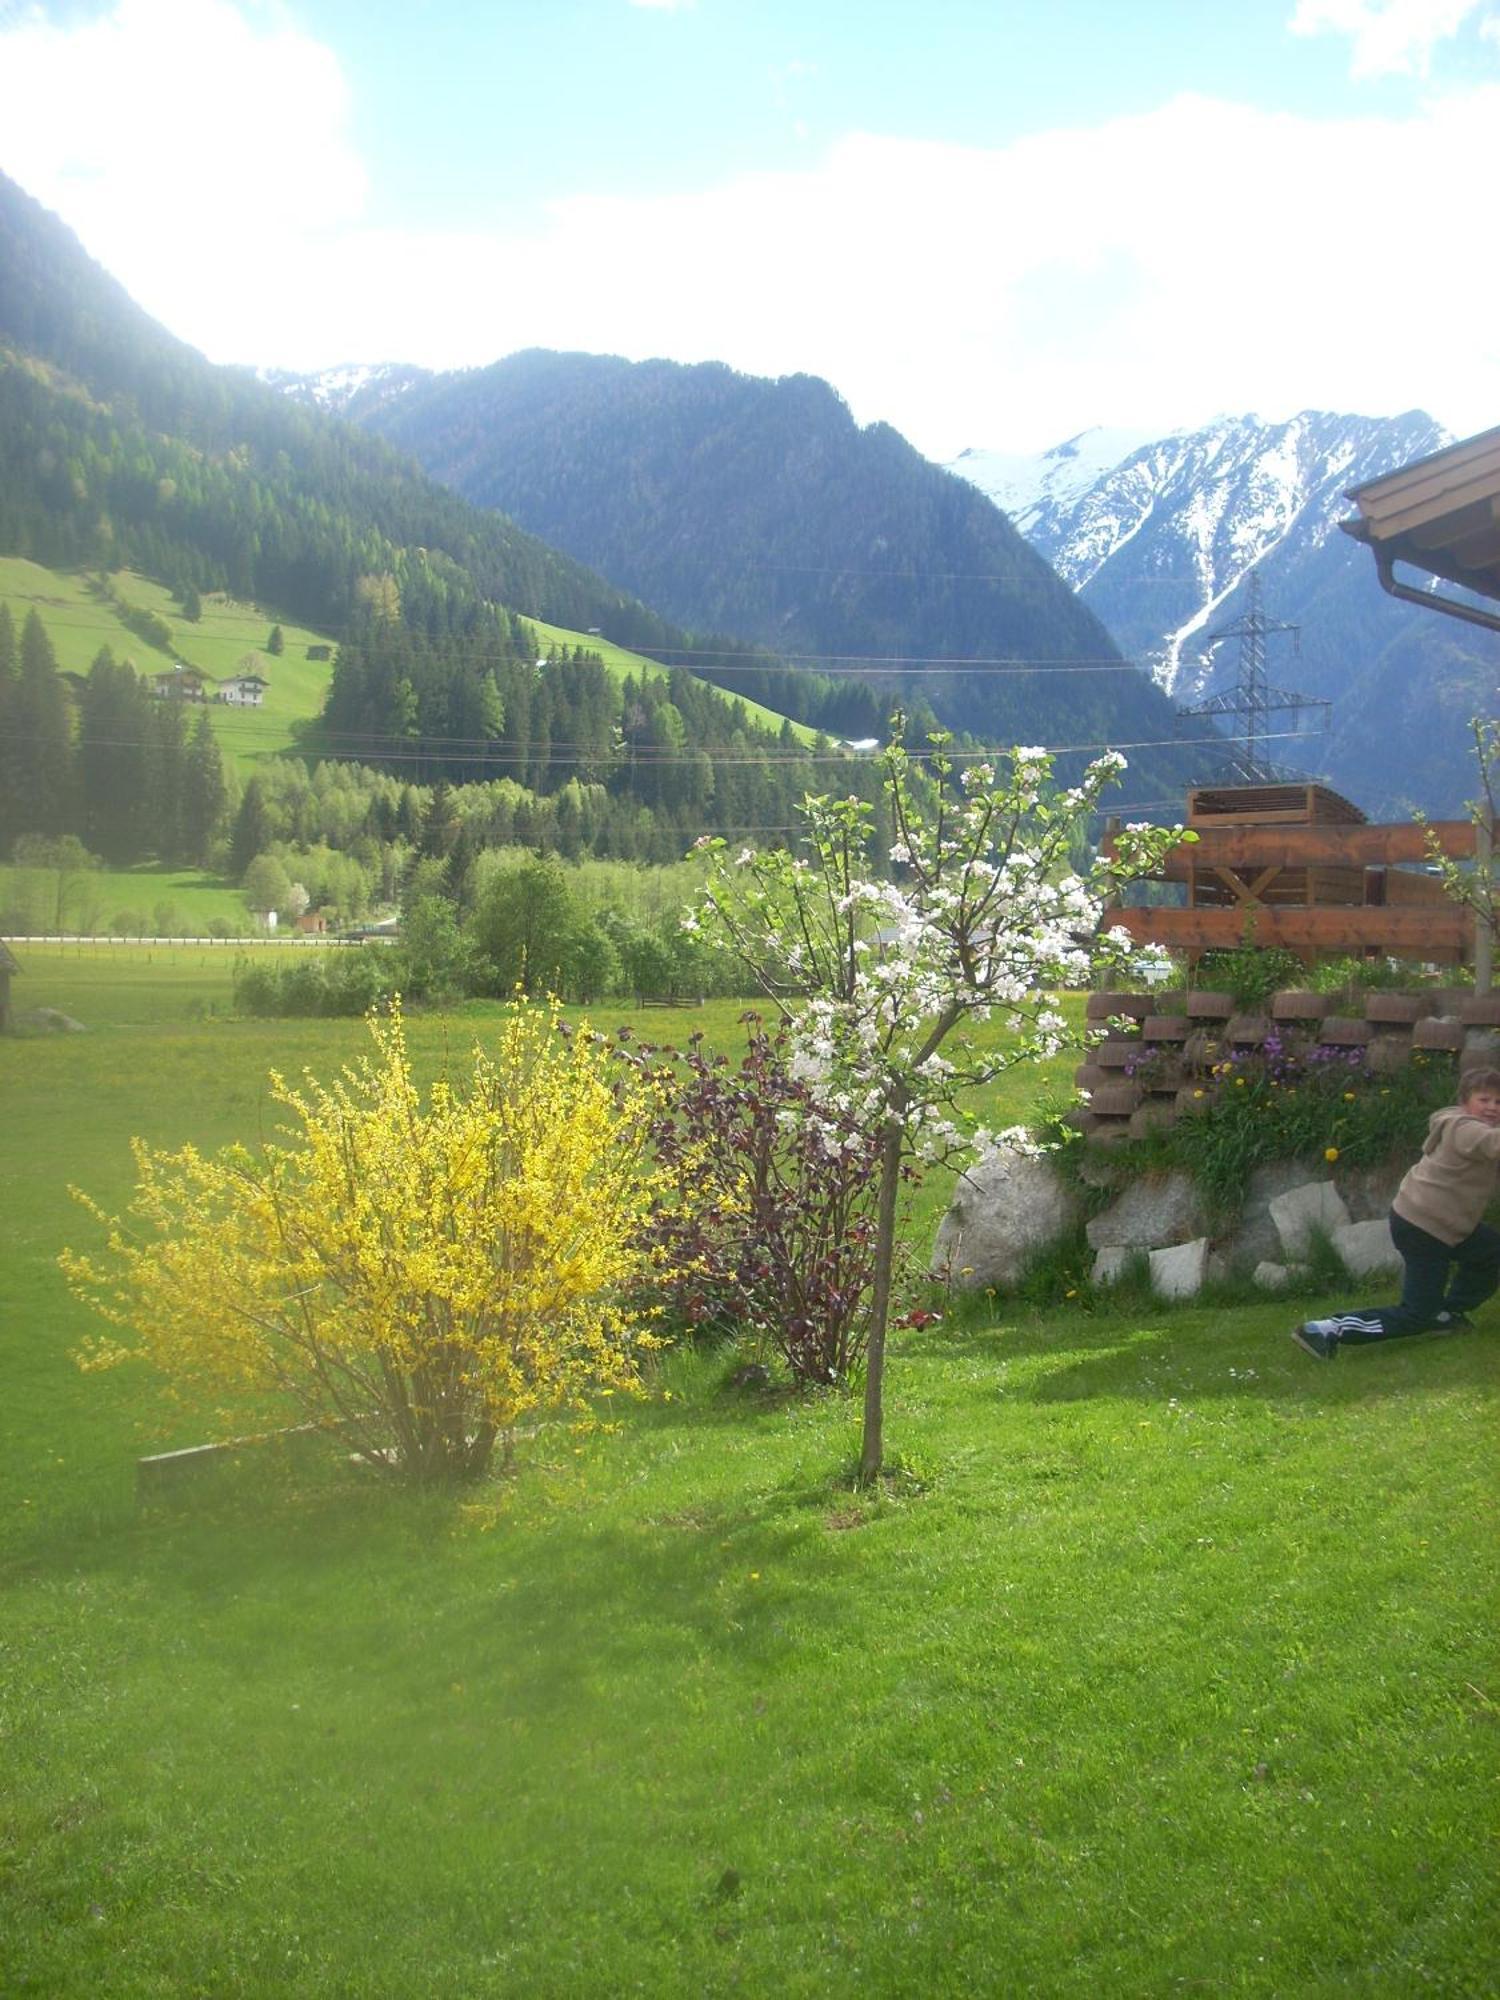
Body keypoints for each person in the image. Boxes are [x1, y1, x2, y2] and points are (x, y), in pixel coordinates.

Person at [1292, 1065, 1500, 1360]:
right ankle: (1326, 1329)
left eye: (1498, 1102)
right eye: (1484, 1099)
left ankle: (1447, 1313)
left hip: (1448, 1224)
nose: (1492, 1107)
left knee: (1491, 1251)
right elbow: (1492, 1144)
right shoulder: (1462, 1128)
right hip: (1424, 1227)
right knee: (1416, 1314)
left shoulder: (1474, 1131)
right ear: (1465, 1102)